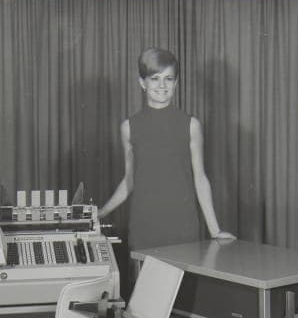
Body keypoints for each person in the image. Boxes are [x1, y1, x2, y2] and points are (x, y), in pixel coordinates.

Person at [99, 47, 236, 252]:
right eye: (155, 78)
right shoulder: (129, 127)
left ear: (176, 83)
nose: (162, 85)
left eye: (168, 78)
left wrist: (214, 231)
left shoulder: (191, 125)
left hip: (182, 229)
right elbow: (129, 181)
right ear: (142, 83)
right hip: (144, 229)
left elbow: (200, 178)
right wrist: (102, 212)